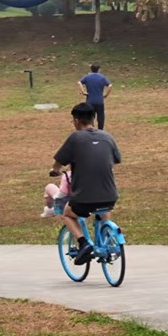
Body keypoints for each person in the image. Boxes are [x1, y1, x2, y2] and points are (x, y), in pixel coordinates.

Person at [50, 103, 121, 265]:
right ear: (93, 119)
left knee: (67, 213)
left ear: (76, 120)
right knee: (103, 208)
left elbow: (58, 163)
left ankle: (83, 244)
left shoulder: (75, 138)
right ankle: (107, 238)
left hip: (84, 198)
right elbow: (116, 160)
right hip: (110, 195)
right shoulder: (107, 137)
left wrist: (54, 170)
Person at [78, 63, 112, 130]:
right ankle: (100, 130)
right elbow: (110, 85)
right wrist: (106, 94)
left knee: (90, 116)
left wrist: (83, 91)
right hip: (99, 101)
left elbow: (79, 82)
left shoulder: (87, 77)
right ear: (99, 69)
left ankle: (90, 129)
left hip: (90, 101)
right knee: (101, 116)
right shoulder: (102, 77)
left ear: (91, 69)